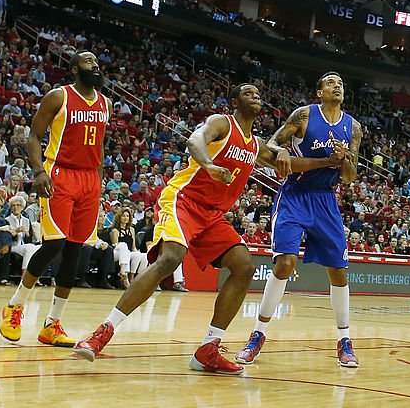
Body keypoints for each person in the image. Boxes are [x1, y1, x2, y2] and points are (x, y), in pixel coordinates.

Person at [73, 84, 340, 373]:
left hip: (213, 215)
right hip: (184, 200)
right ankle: (103, 332)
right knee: (171, 258)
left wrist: (327, 162)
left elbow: (290, 164)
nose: (256, 96)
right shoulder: (222, 123)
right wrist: (209, 165)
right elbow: (194, 140)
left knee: (243, 266)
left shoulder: (256, 145)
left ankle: (208, 348)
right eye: (248, 93)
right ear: (235, 102)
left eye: (259, 94)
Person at [235, 71, 364, 368]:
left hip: (326, 198)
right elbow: (271, 145)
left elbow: (350, 175)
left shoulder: (353, 127)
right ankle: (257, 335)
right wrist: (281, 152)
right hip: (295, 194)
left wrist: (345, 160)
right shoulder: (303, 115)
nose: (338, 86)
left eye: (341, 83)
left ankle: (344, 340)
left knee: (339, 272)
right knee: (285, 263)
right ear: (319, 92)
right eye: (331, 83)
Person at [0, 51, 109, 348]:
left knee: (75, 251)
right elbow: (34, 136)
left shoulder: (104, 103)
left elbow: (98, 145)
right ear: (74, 69)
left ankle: (52, 324)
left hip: (89, 180)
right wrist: (38, 171)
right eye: (88, 62)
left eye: (96, 63)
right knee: (54, 244)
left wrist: (98, 181)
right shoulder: (58, 97)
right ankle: (15, 306)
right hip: (59, 173)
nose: (95, 66)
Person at [110, 206, 146, 287]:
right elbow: (115, 246)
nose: (125, 218)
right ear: (119, 217)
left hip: (128, 253)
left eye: (127, 216)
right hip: (116, 253)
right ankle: (124, 273)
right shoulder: (115, 230)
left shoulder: (132, 230)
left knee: (142, 255)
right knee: (123, 245)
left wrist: (137, 252)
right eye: (123, 216)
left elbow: (133, 247)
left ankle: (134, 277)